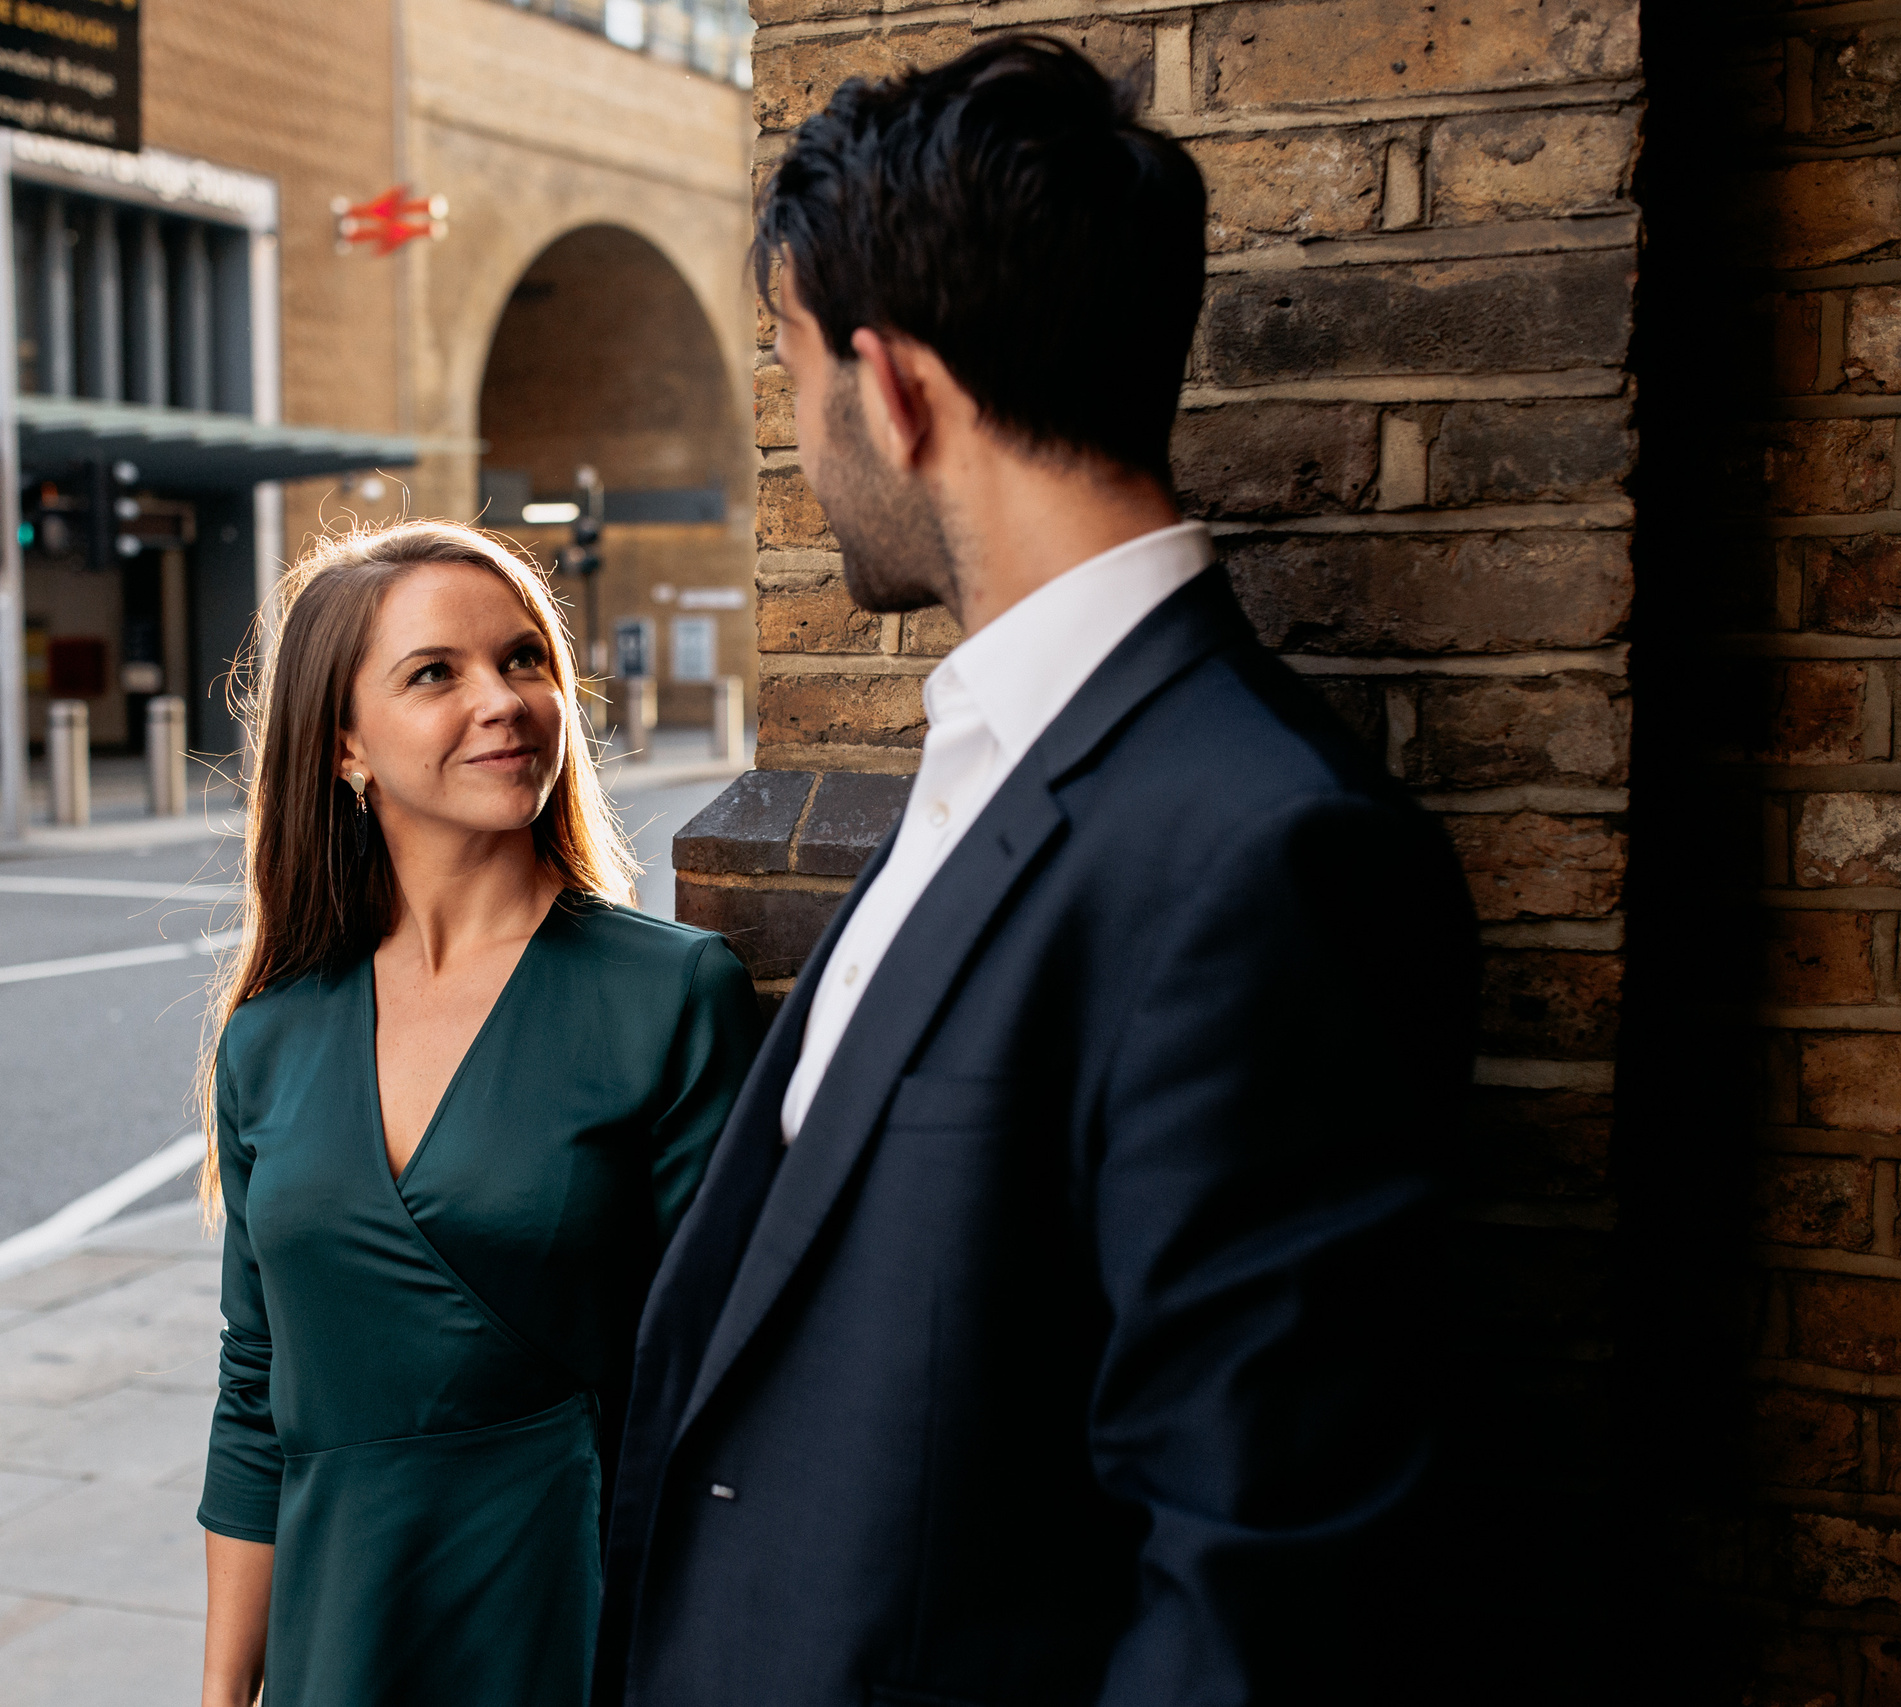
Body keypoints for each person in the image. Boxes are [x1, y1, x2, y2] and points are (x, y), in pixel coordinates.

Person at [595, 37, 1478, 1707]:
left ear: (901, 388)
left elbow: (1256, 1591)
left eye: (793, 378)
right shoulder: (999, 756)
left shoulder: (1272, 856)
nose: (799, 445)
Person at [194, 520, 764, 1707]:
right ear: (344, 744)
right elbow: (256, 1393)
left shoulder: (668, 994)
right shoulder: (270, 1034)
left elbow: (719, 1383)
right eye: (434, 674)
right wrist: (223, 1693)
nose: (503, 702)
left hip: (568, 1613)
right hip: (339, 1626)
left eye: (523, 660)